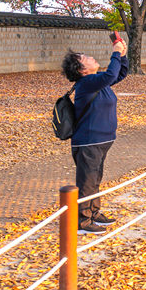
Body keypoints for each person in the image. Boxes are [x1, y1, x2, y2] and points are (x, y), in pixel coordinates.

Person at [61, 36, 129, 234]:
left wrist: (122, 56)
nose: (92, 57)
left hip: (100, 140)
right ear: (83, 70)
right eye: (87, 57)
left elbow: (120, 74)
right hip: (88, 141)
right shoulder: (87, 83)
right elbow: (110, 75)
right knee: (87, 181)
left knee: (95, 179)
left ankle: (93, 212)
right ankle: (82, 222)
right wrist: (115, 52)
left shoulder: (96, 82)